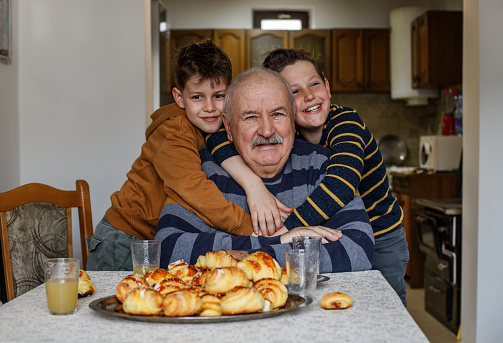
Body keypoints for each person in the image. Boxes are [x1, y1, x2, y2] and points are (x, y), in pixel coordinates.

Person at [206, 49, 409, 306]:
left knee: (386, 306)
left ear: (327, 86)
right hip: (340, 234)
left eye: (314, 84)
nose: (309, 95)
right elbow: (216, 138)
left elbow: (341, 184)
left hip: (382, 236)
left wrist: (287, 231)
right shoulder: (288, 136)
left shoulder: (345, 122)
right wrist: (253, 184)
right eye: (295, 91)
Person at [155, 68, 374, 273]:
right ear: (229, 128)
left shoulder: (322, 165)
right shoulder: (203, 171)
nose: (267, 130)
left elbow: (358, 250)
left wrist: (230, 255)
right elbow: (169, 250)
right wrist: (283, 241)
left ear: (293, 120)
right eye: (251, 117)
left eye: (278, 114)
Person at [86, 40, 256, 271]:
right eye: (197, 97)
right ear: (179, 98)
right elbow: (193, 189)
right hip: (123, 240)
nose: (209, 107)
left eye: (218, 96)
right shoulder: (174, 130)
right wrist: (253, 229)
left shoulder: (212, 128)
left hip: (149, 239)